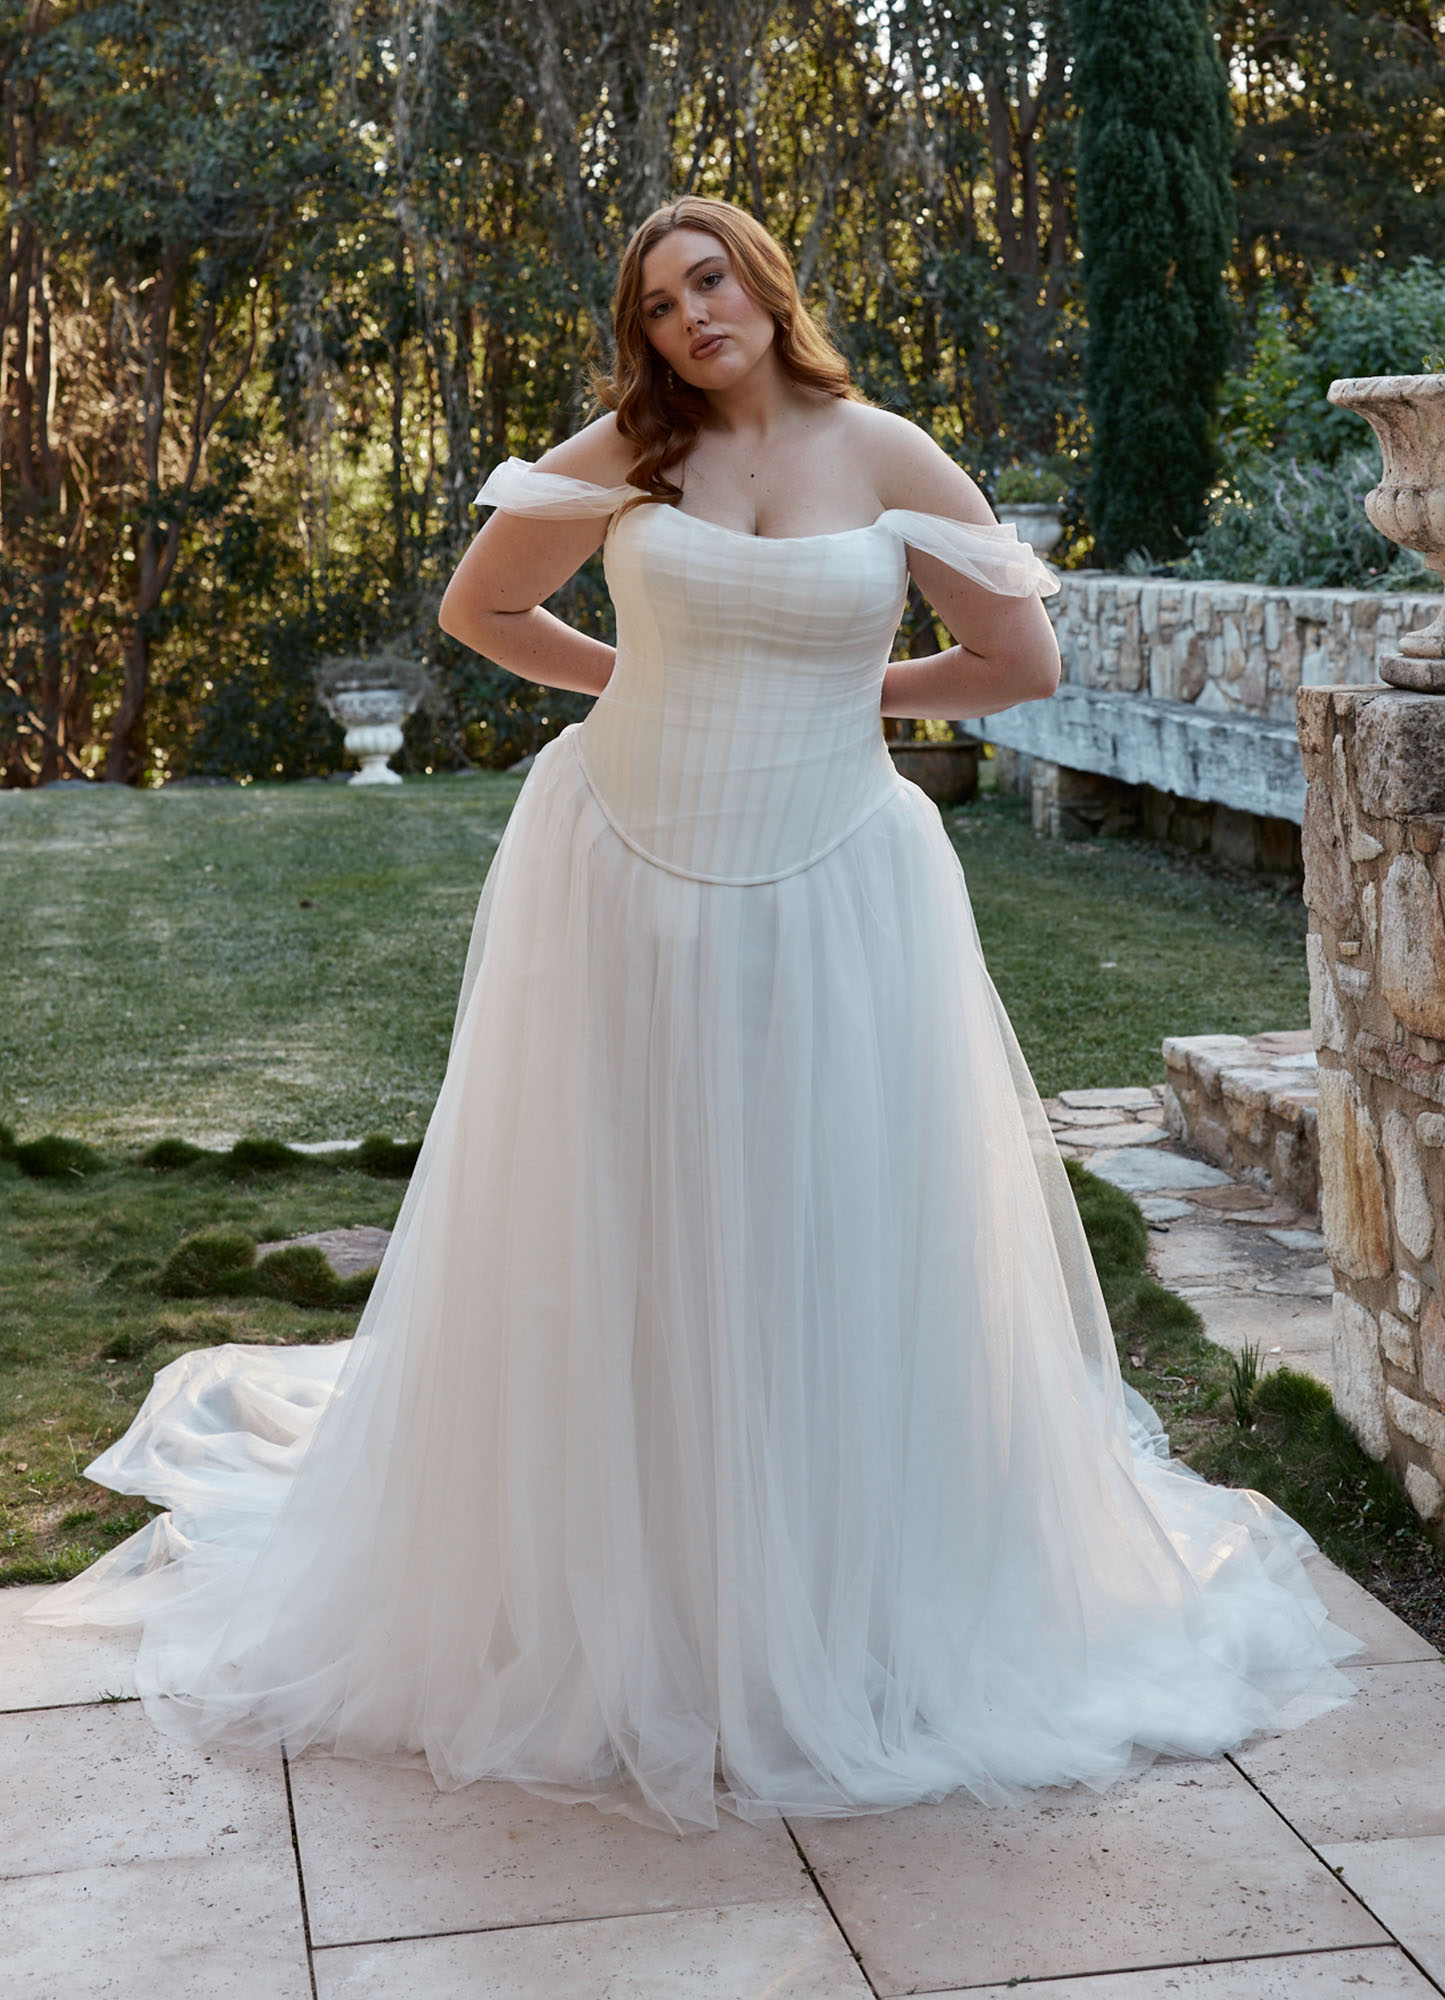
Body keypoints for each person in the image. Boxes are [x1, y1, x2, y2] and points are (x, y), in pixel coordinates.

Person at [27, 196, 1361, 1837]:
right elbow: (480, 613)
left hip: (837, 881)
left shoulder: (886, 453)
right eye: (658, 304)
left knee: (830, 1218)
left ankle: (840, 1590)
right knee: (627, 1214)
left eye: (709, 281)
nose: (690, 319)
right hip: (623, 866)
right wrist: (637, 685)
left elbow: (1017, 660)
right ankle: (632, 1588)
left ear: (765, 283)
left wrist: (851, 691)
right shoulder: (628, 452)